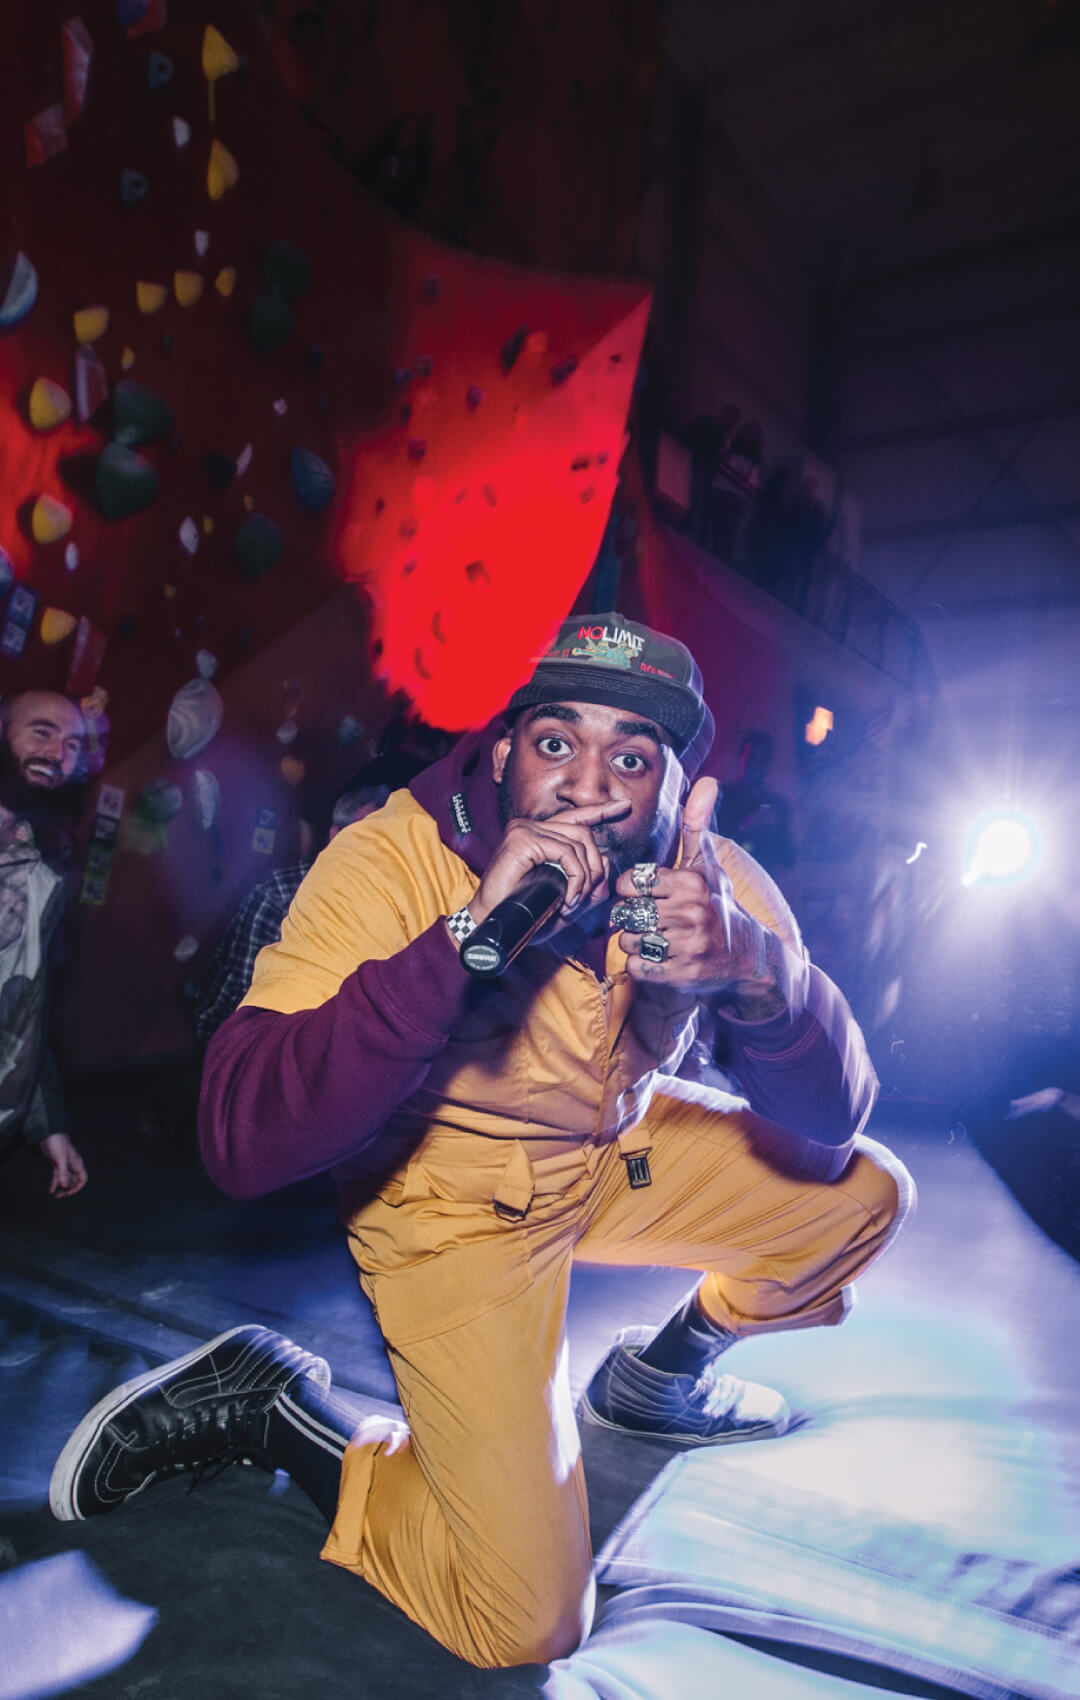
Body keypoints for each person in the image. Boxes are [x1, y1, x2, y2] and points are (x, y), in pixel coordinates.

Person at [51, 613, 912, 1669]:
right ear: (503, 752)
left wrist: (754, 968)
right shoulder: (394, 859)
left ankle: (659, 1377)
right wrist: (462, 943)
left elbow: (836, 1111)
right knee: (524, 1620)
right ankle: (283, 1410)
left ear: (678, 786)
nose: (589, 785)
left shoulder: (708, 874)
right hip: (453, 1204)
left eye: (631, 756)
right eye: (557, 742)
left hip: (610, 1158)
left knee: (864, 1194)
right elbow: (239, 1137)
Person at [193, 782, 390, 1043]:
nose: (373, 852)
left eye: (383, 844)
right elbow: (249, 999)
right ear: (334, 836)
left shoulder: (375, 909)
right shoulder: (279, 893)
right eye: (364, 836)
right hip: (230, 1039)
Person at [0, 690, 89, 1198]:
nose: (59, 753)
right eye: (42, 731)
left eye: (73, 743)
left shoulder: (46, 868)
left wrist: (46, 1124)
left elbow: (25, 1012)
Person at [713, 730, 796, 879]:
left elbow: (789, 860)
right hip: (728, 885)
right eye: (752, 758)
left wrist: (781, 830)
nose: (757, 765)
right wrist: (745, 827)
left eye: (763, 760)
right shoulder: (723, 797)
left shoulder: (779, 806)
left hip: (765, 889)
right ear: (741, 759)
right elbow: (711, 851)